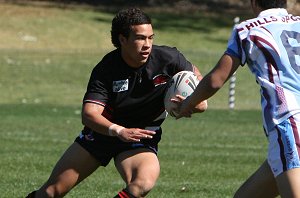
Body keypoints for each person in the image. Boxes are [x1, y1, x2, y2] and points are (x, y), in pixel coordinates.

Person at [26, 7, 207, 198]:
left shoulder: (169, 58)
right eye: (140, 38)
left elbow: (198, 85)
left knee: (143, 183)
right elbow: (89, 115)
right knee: (51, 192)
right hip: (103, 133)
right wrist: (118, 130)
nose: (147, 45)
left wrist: (191, 103)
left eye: (150, 37)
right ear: (122, 39)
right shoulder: (106, 69)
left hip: (141, 135)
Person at [175, 0, 300, 197]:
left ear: (253, 2)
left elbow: (215, 80)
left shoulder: (246, 30)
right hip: (287, 134)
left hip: (290, 123)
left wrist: (188, 103)